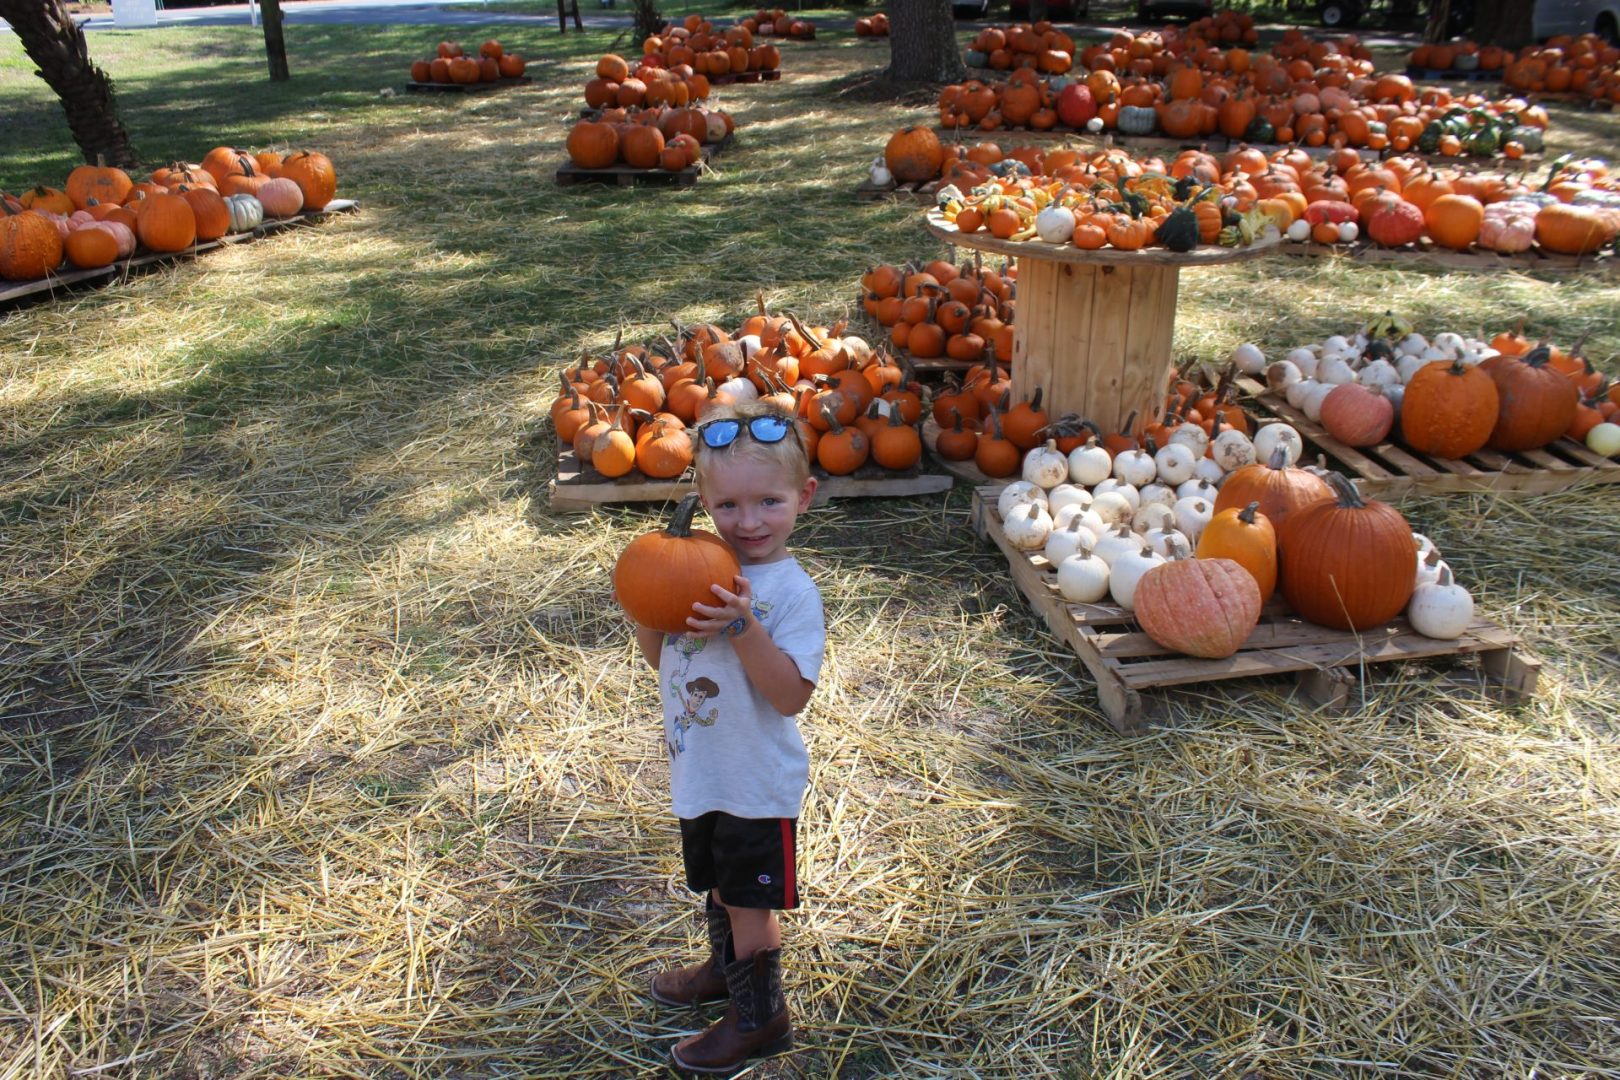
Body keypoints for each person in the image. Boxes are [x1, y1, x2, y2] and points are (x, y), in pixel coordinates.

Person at [630, 401, 825, 1074]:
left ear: (804, 497)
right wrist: (643, 601)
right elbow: (667, 662)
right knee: (720, 886)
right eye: (729, 507)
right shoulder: (698, 568)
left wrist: (744, 627)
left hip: (755, 783)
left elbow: (790, 696)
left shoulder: (791, 593)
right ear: (705, 503)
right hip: (704, 772)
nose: (748, 524)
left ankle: (759, 1017)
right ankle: (725, 970)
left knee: (749, 900)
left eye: (768, 502)